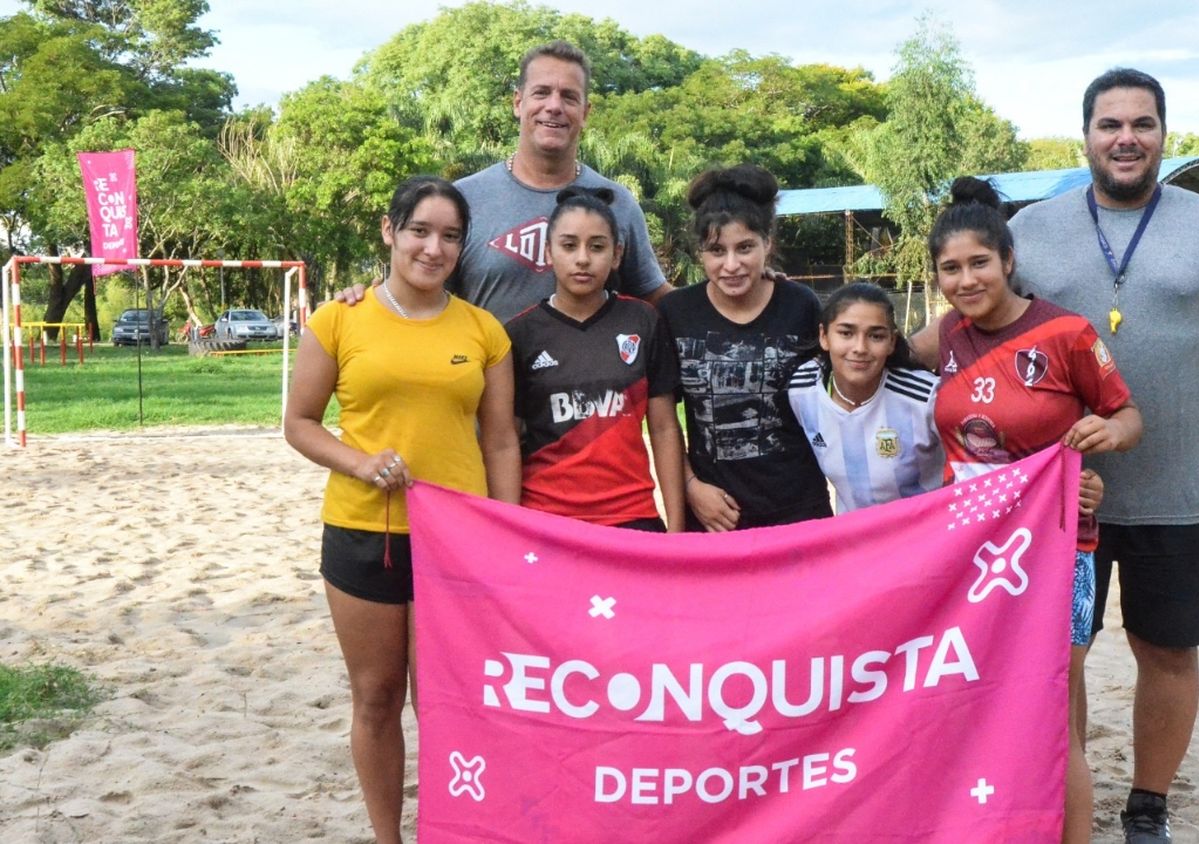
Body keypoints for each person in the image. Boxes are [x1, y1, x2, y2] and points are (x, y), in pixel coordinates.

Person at [1007, 68, 1199, 842]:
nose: (1125, 138)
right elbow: (976, 332)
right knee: (1060, 661)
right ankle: (1065, 798)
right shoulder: (1031, 229)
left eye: (1142, 124)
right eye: (1109, 125)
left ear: (1165, 133)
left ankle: (1147, 805)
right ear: (1086, 135)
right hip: (1058, 496)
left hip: (1177, 489)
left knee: (1167, 649)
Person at [283, 176, 522, 843]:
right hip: (365, 535)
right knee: (377, 697)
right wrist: (361, 463)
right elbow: (300, 423)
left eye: (449, 236)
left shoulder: (484, 330)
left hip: (461, 545)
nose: (433, 247)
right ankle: (388, 837)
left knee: (449, 707)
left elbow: (501, 439)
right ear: (390, 231)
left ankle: (454, 828)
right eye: (420, 230)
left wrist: (506, 533)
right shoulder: (339, 318)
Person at [926, 176, 1143, 844]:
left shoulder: (1065, 332)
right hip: (967, 554)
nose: (966, 279)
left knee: (1051, 702)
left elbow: (1126, 413)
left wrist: (1102, 442)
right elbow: (865, 352)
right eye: (950, 268)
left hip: (1058, 546)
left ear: (1008, 260)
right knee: (975, 698)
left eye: (979, 263)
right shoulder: (944, 338)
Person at [336, 41, 669, 323]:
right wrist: (360, 302)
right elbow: (415, 291)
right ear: (517, 102)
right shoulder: (463, 200)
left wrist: (718, 301)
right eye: (541, 92)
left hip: (590, 394)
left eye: (569, 97)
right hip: (482, 390)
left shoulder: (616, 202)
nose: (553, 106)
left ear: (585, 112)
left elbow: (655, 296)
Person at [656, 164, 832, 530]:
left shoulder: (801, 306)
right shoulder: (675, 313)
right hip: (713, 517)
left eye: (746, 247)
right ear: (700, 252)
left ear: (768, 243)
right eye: (717, 250)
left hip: (799, 513)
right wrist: (691, 488)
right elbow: (663, 423)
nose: (731, 265)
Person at [506, 187, 686, 531]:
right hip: (547, 521)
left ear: (617, 254)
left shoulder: (644, 321)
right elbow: (505, 442)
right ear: (548, 252)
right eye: (569, 245)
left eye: (597, 246)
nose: (583, 258)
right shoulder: (519, 333)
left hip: (632, 515)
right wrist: (514, 529)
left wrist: (676, 530)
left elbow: (663, 428)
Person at [785, 282, 944, 513]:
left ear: (892, 342)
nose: (860, 347)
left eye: (876, 336)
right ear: (824, 336)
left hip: (926, 539)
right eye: (846, 333)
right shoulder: (803, 390)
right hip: (855, 541)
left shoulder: (925, 399)